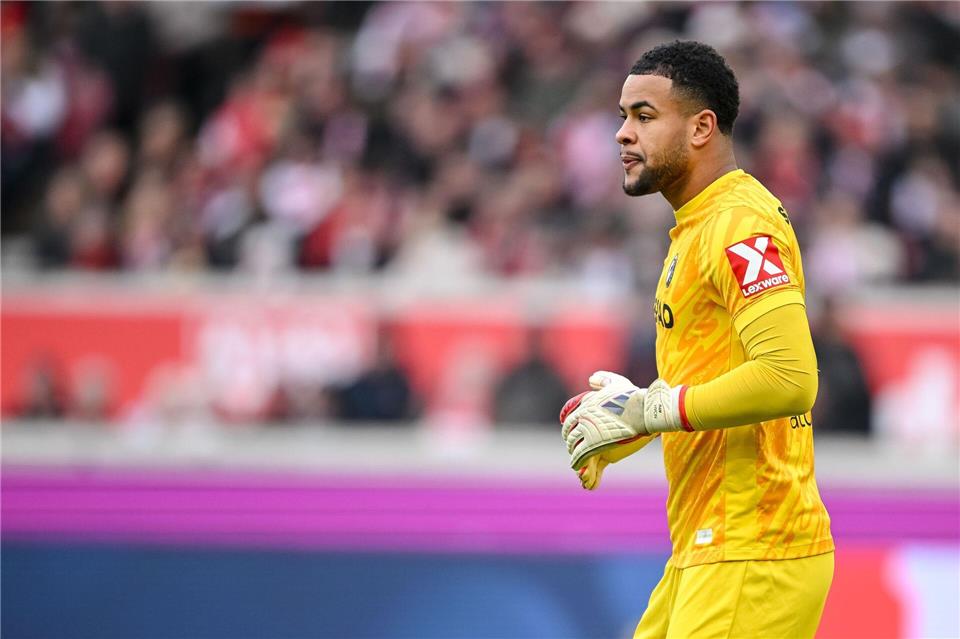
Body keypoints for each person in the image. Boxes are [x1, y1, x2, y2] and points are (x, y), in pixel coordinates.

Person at [559, 41, 833, 639]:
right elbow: (718, 376)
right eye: (622, 117)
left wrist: (658, 409)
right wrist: (637, 413)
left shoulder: (740, 225)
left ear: (702, 126)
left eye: (644, 116)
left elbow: (791, 378)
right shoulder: (699, 224)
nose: (622, 134)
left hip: (752, 546)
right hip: (705, 547)